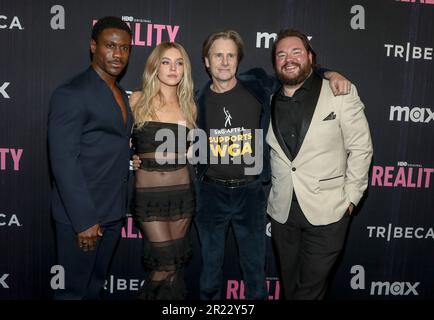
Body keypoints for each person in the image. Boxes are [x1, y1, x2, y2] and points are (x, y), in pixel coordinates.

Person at [194, 30, 352, 300]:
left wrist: (330, 73)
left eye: (230, 55)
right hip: (211, 195)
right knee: (209, 273)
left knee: (255, 274)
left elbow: (295, 71)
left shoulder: (257, 86)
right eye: (217, 55)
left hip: (250, 195)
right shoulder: (196, 100)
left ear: (238, 60)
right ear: (206, 62)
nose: (224, 61)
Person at [267, 29, 373, 300]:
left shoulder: (339, 91)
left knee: (309, 292)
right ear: (275, 63)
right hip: (282, 214)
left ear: (311, 58)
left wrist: (351, 198)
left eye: (296, 52)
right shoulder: (267, 97)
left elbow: (361, 148)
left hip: (329, 212)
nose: (288, 59)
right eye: (281, 54)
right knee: (291, 289)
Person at [47, 16, 133, 299]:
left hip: (112, 212)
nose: (118, 54)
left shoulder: (119, 93)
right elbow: (63, 163)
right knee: (72, 293)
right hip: (81, 217)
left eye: (124, 48)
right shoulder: (71, 93)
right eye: (110, 46)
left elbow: (112, 144)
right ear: (93, 46)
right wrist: (84, 221)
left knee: (94, 289)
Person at [129, 42, 197, 299]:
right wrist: (131, 156)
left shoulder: (189, 106)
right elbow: (117, 142)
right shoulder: (137, 100)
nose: (173, 68)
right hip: (149, 199)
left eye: (179, 62)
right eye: (166, 62)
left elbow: (192, 152)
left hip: (182, 198)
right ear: (154, 67)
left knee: (175, 266)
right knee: (164, 264)